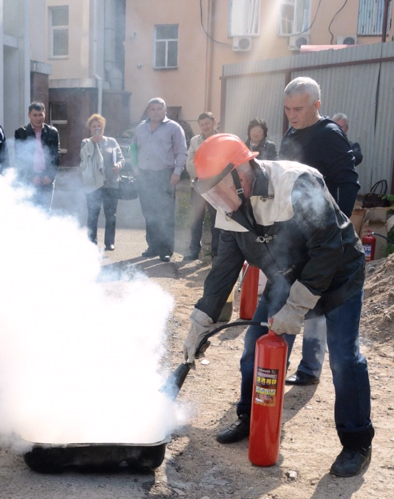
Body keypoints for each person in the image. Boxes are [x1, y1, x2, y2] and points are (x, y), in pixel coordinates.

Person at [183, 133, 373, 477]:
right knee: (255, 350)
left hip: (339, 275)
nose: (218, 201)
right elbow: (222, 271)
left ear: (242, 172)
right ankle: (250, 417)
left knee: (344, 357)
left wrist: (297, 307)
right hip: (286, 279)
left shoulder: (297, 183)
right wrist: (202, 320)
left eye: (219, 188)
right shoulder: (229, 210)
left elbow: (327, 250)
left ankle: (357, 442)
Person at [279, 77, 360, 386]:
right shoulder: (292, 132)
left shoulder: (330, 135)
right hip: (295, 234)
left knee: (317, 301)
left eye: (298, 109)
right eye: (287, 109)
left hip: (323, 236)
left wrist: (338, 230)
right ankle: (277, 368)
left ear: (316, 105)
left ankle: (309, 369)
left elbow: (348, 182)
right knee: (292, 297)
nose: (292, 115)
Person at [130, 97, 187, 262]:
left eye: (159, 109)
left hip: (165, 176)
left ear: (165, 110)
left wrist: (177, 172)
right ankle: (153, 247)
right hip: (144, 176)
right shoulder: (140, 128)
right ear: (148, 111)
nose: (156, 112)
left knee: (165, 213)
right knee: (149, 213)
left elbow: (182, 152)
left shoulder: (174, 128)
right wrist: (135, 169)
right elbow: (133, 148)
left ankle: (166, 249)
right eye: (153, 109)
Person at [79, 114, 123, 251]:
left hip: (111, 184)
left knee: (111, 215)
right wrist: (94, 142)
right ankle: (91, 242)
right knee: (93, 214)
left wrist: (119, 166)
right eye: (94, 127)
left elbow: (121, 159)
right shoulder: (86, 142)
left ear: (103, 127)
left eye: (99, 126)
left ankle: (109, 242)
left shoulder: (112, 142)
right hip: (93, 185)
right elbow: (84, 160)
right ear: (90, 129)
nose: (97, 129)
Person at [185, 112, 220, 261]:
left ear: (214, 122)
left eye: (207, 123)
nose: (205, 127)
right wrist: (202, 173)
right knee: (195, 219)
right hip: (198, 185)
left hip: (216, 186)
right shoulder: (195, 141)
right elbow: (190, 162)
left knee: (216, 221)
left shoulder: (221, 139)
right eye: (202, 125)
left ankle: (216, 253)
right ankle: (194, 251)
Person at [13, 102, 60, 209]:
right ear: (29, 115)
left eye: (40, 115)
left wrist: (50, 176)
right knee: (29, 211)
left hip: (47, 178)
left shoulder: (52, 132)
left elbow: (56, 156)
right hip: (29, 178)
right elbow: (19, 158)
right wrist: (31, 176)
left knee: (45, 211)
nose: (38, 118)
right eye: (35, 115)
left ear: (44, 115)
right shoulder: (21, 132)